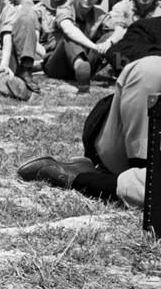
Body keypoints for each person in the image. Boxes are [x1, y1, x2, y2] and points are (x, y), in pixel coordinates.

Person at [18, 27, 161, 208]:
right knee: (151, 68)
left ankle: (81, 178)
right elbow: (119, 52)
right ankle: (141, 170)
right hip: (125, 137)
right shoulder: (150, 26)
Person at [41, 0, 108, 92]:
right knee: (70, 37)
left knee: (113, 36)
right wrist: (95, 47)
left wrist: (108, 42)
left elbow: (120, 30)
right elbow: (68, 29)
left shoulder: (100, 14)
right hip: (57, 64)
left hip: (87, 60)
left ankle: (121, 70)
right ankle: (82, 77)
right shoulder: (64, 8)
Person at [97, 0, 161, 69]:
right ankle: (89, 68)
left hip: (151, 51)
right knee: (108, 38)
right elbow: (115, 30)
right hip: (126, 47)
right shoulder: (123, 6)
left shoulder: (159, 9)